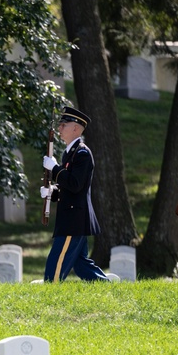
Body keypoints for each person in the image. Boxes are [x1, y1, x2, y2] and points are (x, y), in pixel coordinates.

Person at [40, 106, 109, 283]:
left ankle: (50, 291)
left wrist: (54, 169)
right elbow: (68, 187)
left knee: (55, 263)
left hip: (74, 218)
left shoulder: (82, 154)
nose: (60, 128)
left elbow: (75, 184)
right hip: (72, 215)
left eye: (64, 125)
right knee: (81, 265)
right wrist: (52, 191)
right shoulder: (69, 153)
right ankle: (105, 287)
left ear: (76, 129)